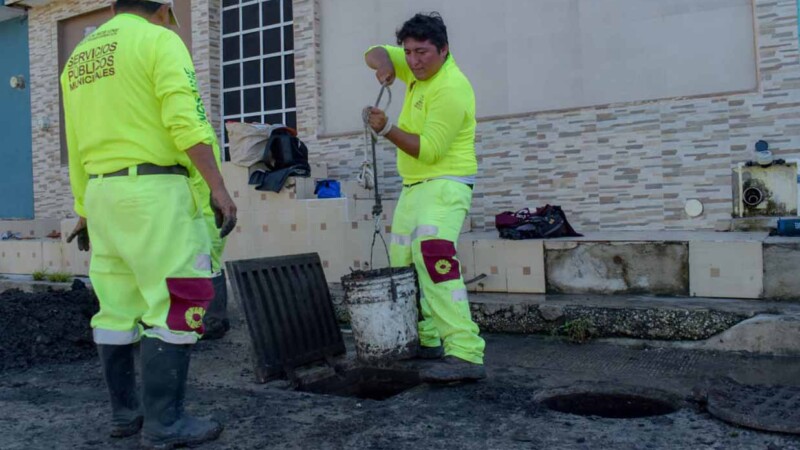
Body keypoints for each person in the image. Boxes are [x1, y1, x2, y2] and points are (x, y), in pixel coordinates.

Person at [60, 1, 237, 448]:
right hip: (155, 193)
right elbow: (186, 121)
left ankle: (126, 415)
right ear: (162, 10)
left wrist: (84, 208)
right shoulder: (160, 41)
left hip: (102, 195)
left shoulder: (79, 58)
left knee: (116, 309)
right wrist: (218, 186)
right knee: (180, 298)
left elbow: (76, 142)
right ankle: (166, 423)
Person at [364, 12, 486, 382]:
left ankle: (465, 352)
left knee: (435, 258)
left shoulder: (451, 88)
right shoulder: (413, 64)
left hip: (446, 183)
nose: (414, 61)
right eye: (409, 52)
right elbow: (371, 52)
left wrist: (386, 128)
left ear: (444, 50)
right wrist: (385, 65)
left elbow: (429, 150)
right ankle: (428, 339)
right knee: (402, 264)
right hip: (413, 187)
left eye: (423, 53)